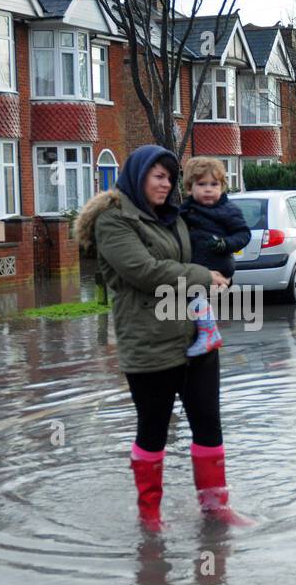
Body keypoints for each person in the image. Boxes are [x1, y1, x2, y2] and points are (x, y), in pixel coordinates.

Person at [75, 144, 251, 532]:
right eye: (158, 176)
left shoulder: (173, 217)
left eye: (169, 178)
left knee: (208, 422)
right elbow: (145, 271)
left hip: (195, 338)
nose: (165, 184)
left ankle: (215, 506)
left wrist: (228, 251)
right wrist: (203, 276)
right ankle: (150, 516)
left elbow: (211, 240)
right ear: (138, 177)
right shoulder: (115, 220)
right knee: (153, 429)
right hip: (148, 340)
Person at [179, 156, 252, 356]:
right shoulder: (185, 211)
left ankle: (209, 332)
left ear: (222, 186)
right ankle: (202, 330)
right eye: (202, 184)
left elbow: (244, 234)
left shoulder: (228, 210)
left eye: (214, 184)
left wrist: (225, 244)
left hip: (218, 262)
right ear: (189, 188)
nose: (209, 189)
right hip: (198, 263)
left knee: (194, 293)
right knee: (190, 295)